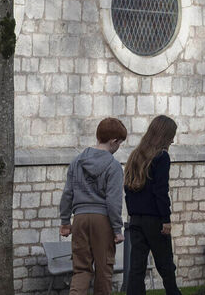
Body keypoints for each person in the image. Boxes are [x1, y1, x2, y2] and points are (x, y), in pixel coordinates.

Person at [60, 117, 128, 295]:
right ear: (114, 141)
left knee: (81, 269)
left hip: (80, 219)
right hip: (102, 220)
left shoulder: (76, 161)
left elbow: (68, 193)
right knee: (104, 270)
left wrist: (65, 221)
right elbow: (113, 201)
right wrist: (117, 229)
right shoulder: (113, 166)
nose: (119, 147)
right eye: (120, 143)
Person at [124, 115, 181, 295]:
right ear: (165, 135)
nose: (173, 139)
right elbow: (160, 191)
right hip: (154, 219)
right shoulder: (162, 157)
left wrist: (133, 213)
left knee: (137, 268)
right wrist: (166, 219)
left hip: (136, 219)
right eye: (171, 135)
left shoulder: (135, 155)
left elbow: (128, 188)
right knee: (165, 265)